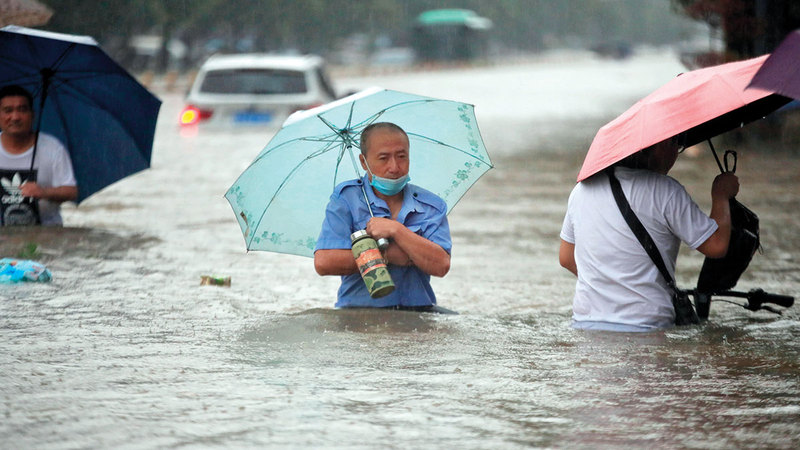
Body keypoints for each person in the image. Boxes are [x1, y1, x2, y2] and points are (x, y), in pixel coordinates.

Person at [559, 135, 740, 331]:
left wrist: (611, 283)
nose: (675, 153)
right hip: (646, 326)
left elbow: (566, 257)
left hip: (586, 324)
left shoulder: (581, 190)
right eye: (674, 144)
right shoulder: (666, 191)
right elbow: (716, 246)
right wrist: (721, 196)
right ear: (656, 147)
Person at [314, 122, 452, 309]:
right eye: (383, 158)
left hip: (419, 314)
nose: (394, 167)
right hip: (358, 314)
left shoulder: (431, 206)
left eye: (401, 157)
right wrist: (389, 254)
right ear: (364, 162)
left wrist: (397, 230)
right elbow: (324, 262)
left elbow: (441, 265)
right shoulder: (346, 199)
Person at [0, 85, 77, 226]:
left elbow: (71, 191)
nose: (15, 117)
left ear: (32, 115)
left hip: (46, 233)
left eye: (22, 110)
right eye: (8, 110)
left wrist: (43, 192)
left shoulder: (53, 148)